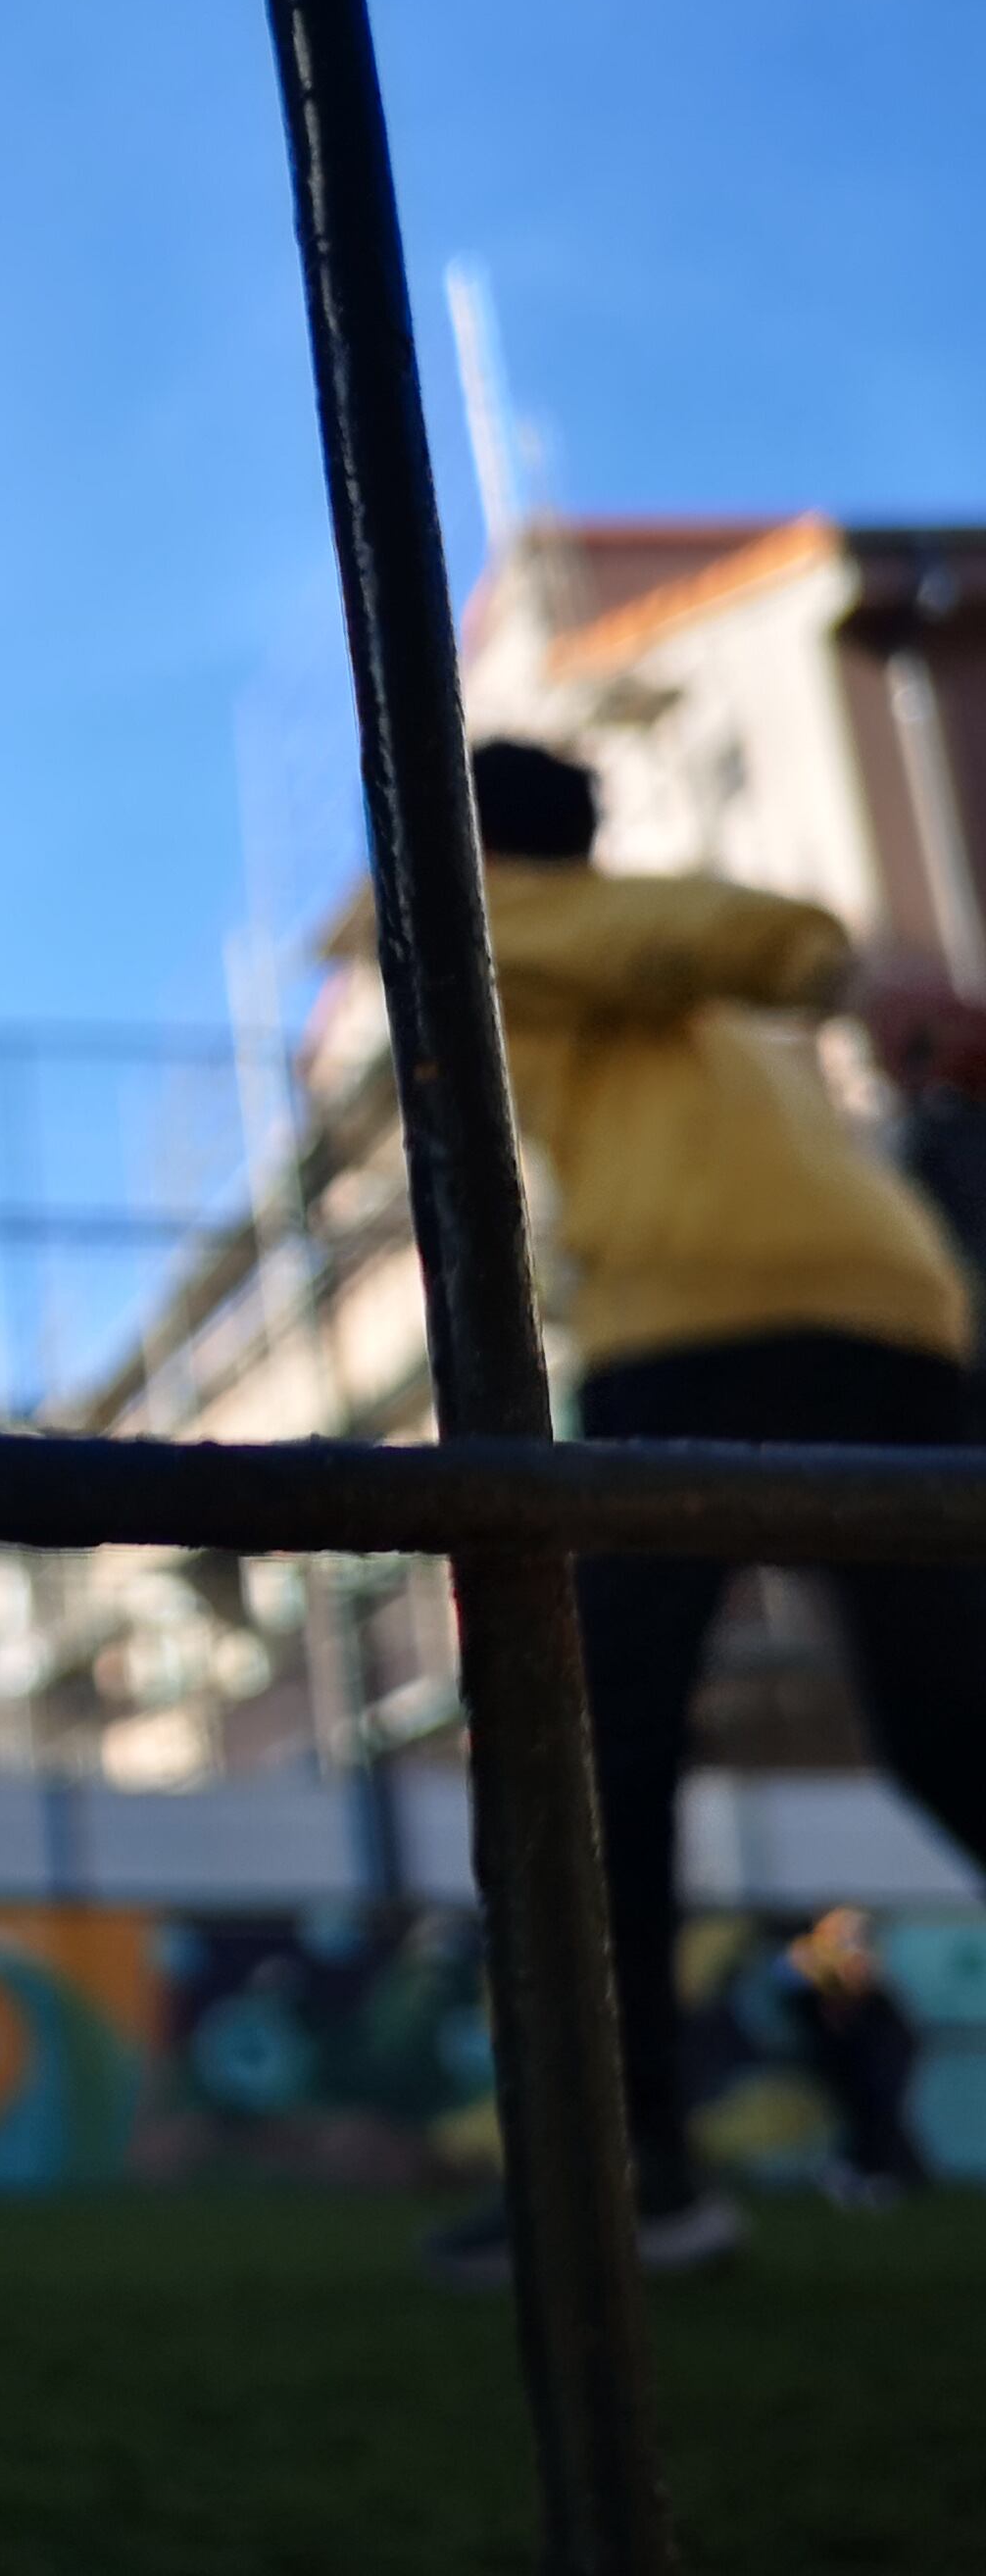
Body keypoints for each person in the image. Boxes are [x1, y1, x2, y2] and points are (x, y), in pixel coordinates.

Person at [422, 739, 986, 2284]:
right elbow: (696, 937)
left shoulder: (497, 923)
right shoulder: (643, 970)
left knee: (598, 1747)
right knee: (949, 1729)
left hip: (702, 1327)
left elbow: (741, 933)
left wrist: (834, 963)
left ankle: (632, 2172)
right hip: (897, 1311)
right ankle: (634, 2163)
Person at [776, 1907, 927, 2204]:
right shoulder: (805, 1968)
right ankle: (867, 2174)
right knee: (865, 2111)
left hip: (881, 2051)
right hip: (853, 2055)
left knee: (879, 2109)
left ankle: (878, 2175)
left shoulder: (876, 2004)